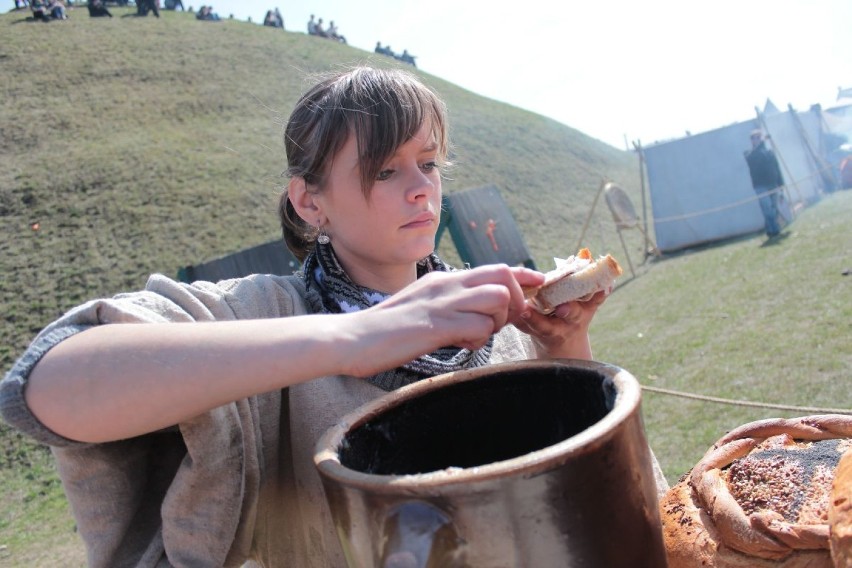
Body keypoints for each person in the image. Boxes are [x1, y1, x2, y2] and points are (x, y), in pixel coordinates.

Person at [0, 66, 660, 566]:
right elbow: (43, 387)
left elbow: (599, 502)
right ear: (310, 202)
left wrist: (566, 347)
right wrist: (351, 336)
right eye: (384, 170)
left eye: (428, 162)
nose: (421, 187)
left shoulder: (490, 311)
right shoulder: (259, 313)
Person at [744, 129, 785, 238]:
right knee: (767, 209)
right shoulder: (749, 154)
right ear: (751, 140)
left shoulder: (769, 152)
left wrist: (781, 185)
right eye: (754, 138)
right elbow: (754, 157)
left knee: (773, 209)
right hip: (760, 186)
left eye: (758, 137)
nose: (756, 139)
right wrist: (761, 143)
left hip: (772, 183)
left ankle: (770, 230)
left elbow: (776, 168)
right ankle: (775, 231)